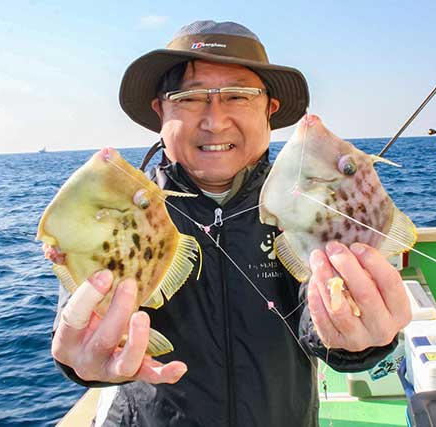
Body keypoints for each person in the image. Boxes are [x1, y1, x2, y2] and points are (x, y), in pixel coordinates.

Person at [48, 20, 411, 427]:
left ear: (270, 110)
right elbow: (82, 323)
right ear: (160, 111)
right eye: (188, 98)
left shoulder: (303, 207)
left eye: (238, 96)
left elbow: (320, 322)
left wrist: (355, 340)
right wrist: (82, 359)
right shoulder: (120, 212)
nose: (214, 121)